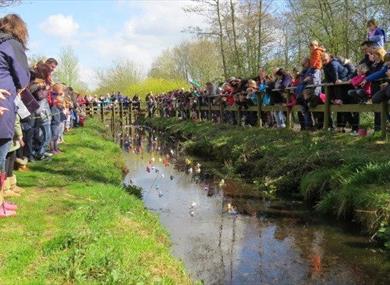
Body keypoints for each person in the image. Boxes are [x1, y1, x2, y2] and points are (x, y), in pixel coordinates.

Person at [0, 14, 30, 217]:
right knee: (1, 154)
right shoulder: (11, 43)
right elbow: (23, 76)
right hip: (3, 103)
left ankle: (1, 201)